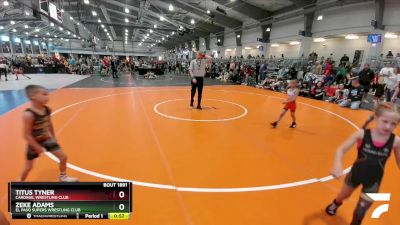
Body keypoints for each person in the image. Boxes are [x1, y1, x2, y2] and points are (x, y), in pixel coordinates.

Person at [325, 102, 400, 225]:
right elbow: (341, 149)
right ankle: (336, 203)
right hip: (355, 175)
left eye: (393, 124)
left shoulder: (396, 141)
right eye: (385, 121)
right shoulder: (362, 134)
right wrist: (337, 165)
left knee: (360, 212)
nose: (388, 127)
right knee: (343, 196)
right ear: (376, 118)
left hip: (374, 182)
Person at [19, 85, 78, 182]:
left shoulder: (47, 109)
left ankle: (63, 177)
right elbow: (26, 135)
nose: (48, 96)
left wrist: (53, 136)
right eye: (44, 94)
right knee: (29, 167)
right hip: (34, 142)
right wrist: (36, 146)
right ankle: (20, 183)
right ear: (33, 96)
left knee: (63, 157)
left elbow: (49, 123)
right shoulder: (28, 115)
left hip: (46, 139)